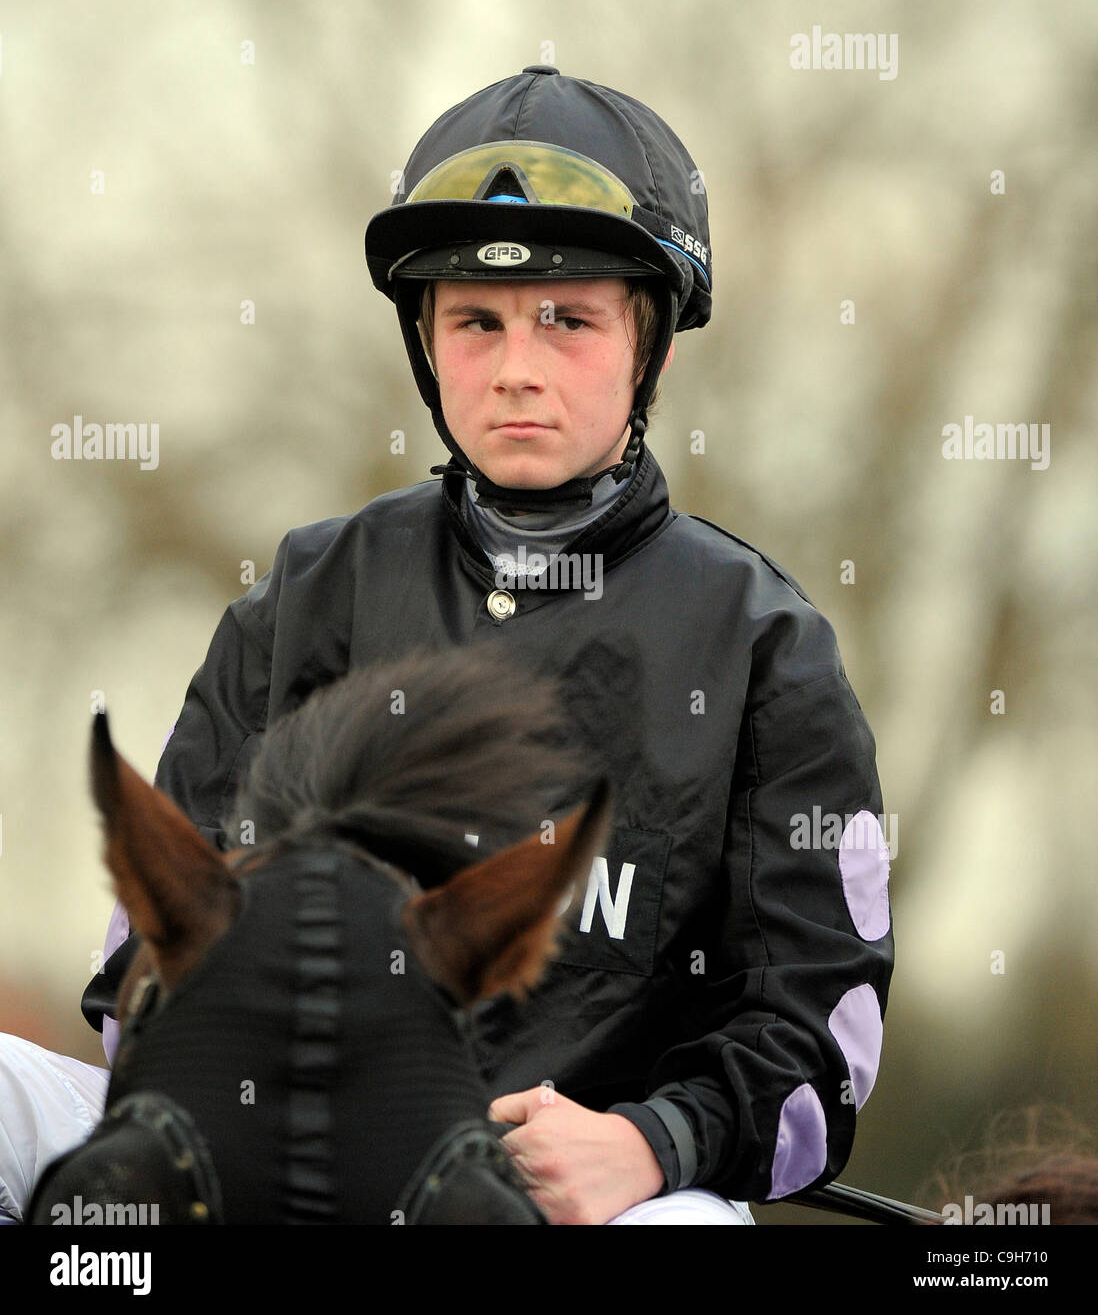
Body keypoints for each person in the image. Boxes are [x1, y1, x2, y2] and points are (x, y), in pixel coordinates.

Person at [1, 66, 893, 1225]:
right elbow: (138, 962)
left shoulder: (770, 645)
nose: (515, 368)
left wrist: (654, 1140)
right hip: (260, 1138)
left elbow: (821, 1037)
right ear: (429, 346)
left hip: (581, 1192)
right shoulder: (311, 589)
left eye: (567, 320)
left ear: (654, 347)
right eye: (477, 321)